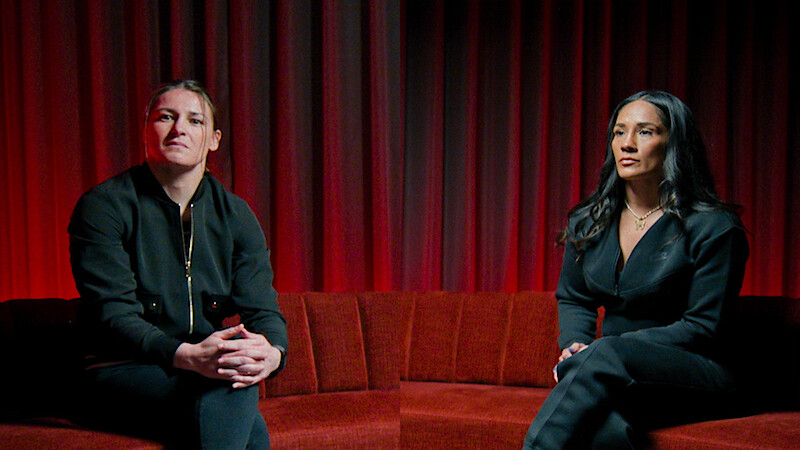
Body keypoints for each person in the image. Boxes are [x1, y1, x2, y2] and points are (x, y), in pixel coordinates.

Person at [522, 91, 749, 449]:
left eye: (645, 132)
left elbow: (702, 327)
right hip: (611, 373)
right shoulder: (589, 220)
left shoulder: (714, 228)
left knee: (602, 364)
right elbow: (574, 297)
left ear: (674, 143)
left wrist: (599, 354)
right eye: (618, 132)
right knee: (607, 426)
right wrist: (576, 344)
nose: (627, 144)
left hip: (696, 371)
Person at [69, 79, 287, 449]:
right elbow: (113, 314)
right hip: (119, 368)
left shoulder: (236, 215)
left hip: (200, 369)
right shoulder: (104, 207)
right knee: (233, 395)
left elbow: (263, 309)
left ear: (214, 139)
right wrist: (186, 355)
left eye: (195, 120)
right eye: (165, 117)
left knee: (234, 391)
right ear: (145, 131)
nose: (179, 129)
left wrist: (272, 354)